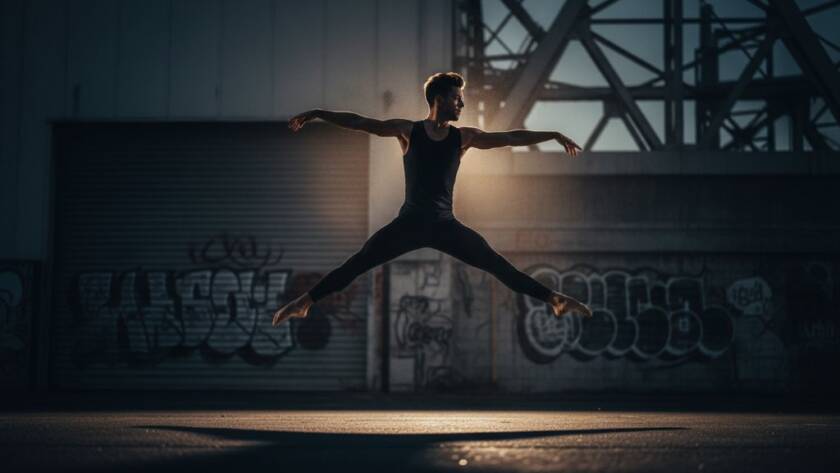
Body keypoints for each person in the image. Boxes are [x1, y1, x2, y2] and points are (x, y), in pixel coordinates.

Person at [272, 72, 592, 326]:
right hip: (408, 224)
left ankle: (555, 300)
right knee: (358, 262)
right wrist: (318, 113)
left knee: (497, 264)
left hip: (445, 226)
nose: (461, 104)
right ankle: (304, 303)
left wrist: (552, 134)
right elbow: (362, 122)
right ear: (439, 99)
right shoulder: (408, 131)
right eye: (457, 98)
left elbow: (509, 137)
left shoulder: (463, 137)